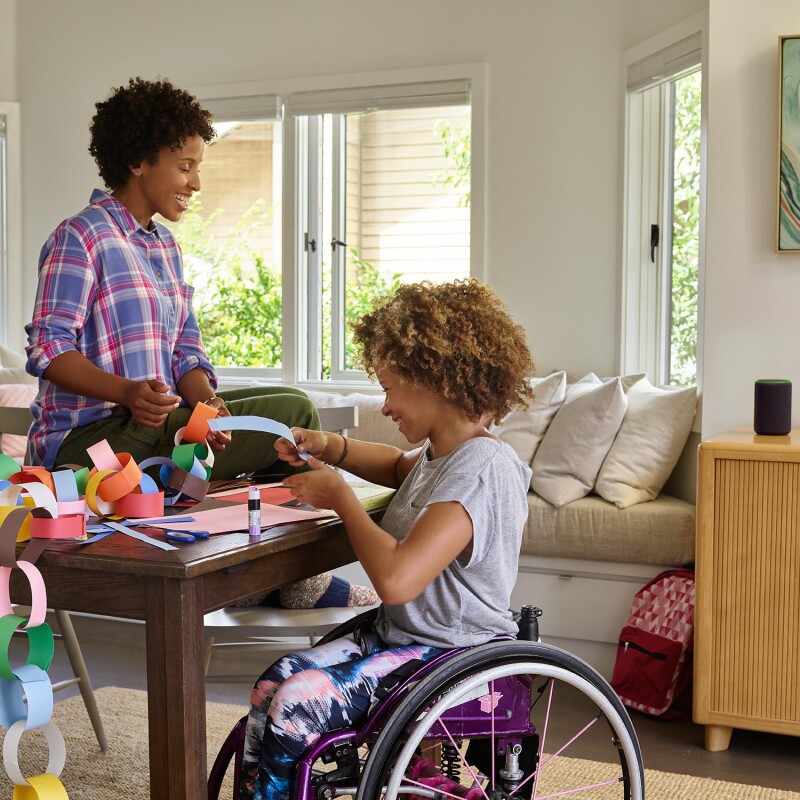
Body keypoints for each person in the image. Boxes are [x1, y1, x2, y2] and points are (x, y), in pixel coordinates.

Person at [24, 76, 374, 609]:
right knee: (196, 431)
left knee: (294, 412)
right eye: (185, 167)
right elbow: (47, 348)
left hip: (162, 434)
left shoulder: (165, 248)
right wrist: (126, 392)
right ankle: (283, 586)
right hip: (88, 452)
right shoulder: (82, 237)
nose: (196, 183)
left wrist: (205, 401)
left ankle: (272, 581)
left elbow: (185, 349)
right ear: (139, 161)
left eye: (198, 168)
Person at [238, 278, 537, 800]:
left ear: (435, 378)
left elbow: (398, 579)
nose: (385, 405)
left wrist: (342, 499)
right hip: (402, 641)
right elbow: (396, 466)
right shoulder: (442, 455)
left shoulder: (482, 468)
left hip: (449, 653)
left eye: (389, 387)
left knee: (297, 703)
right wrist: (331, 446)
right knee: (273, 684)